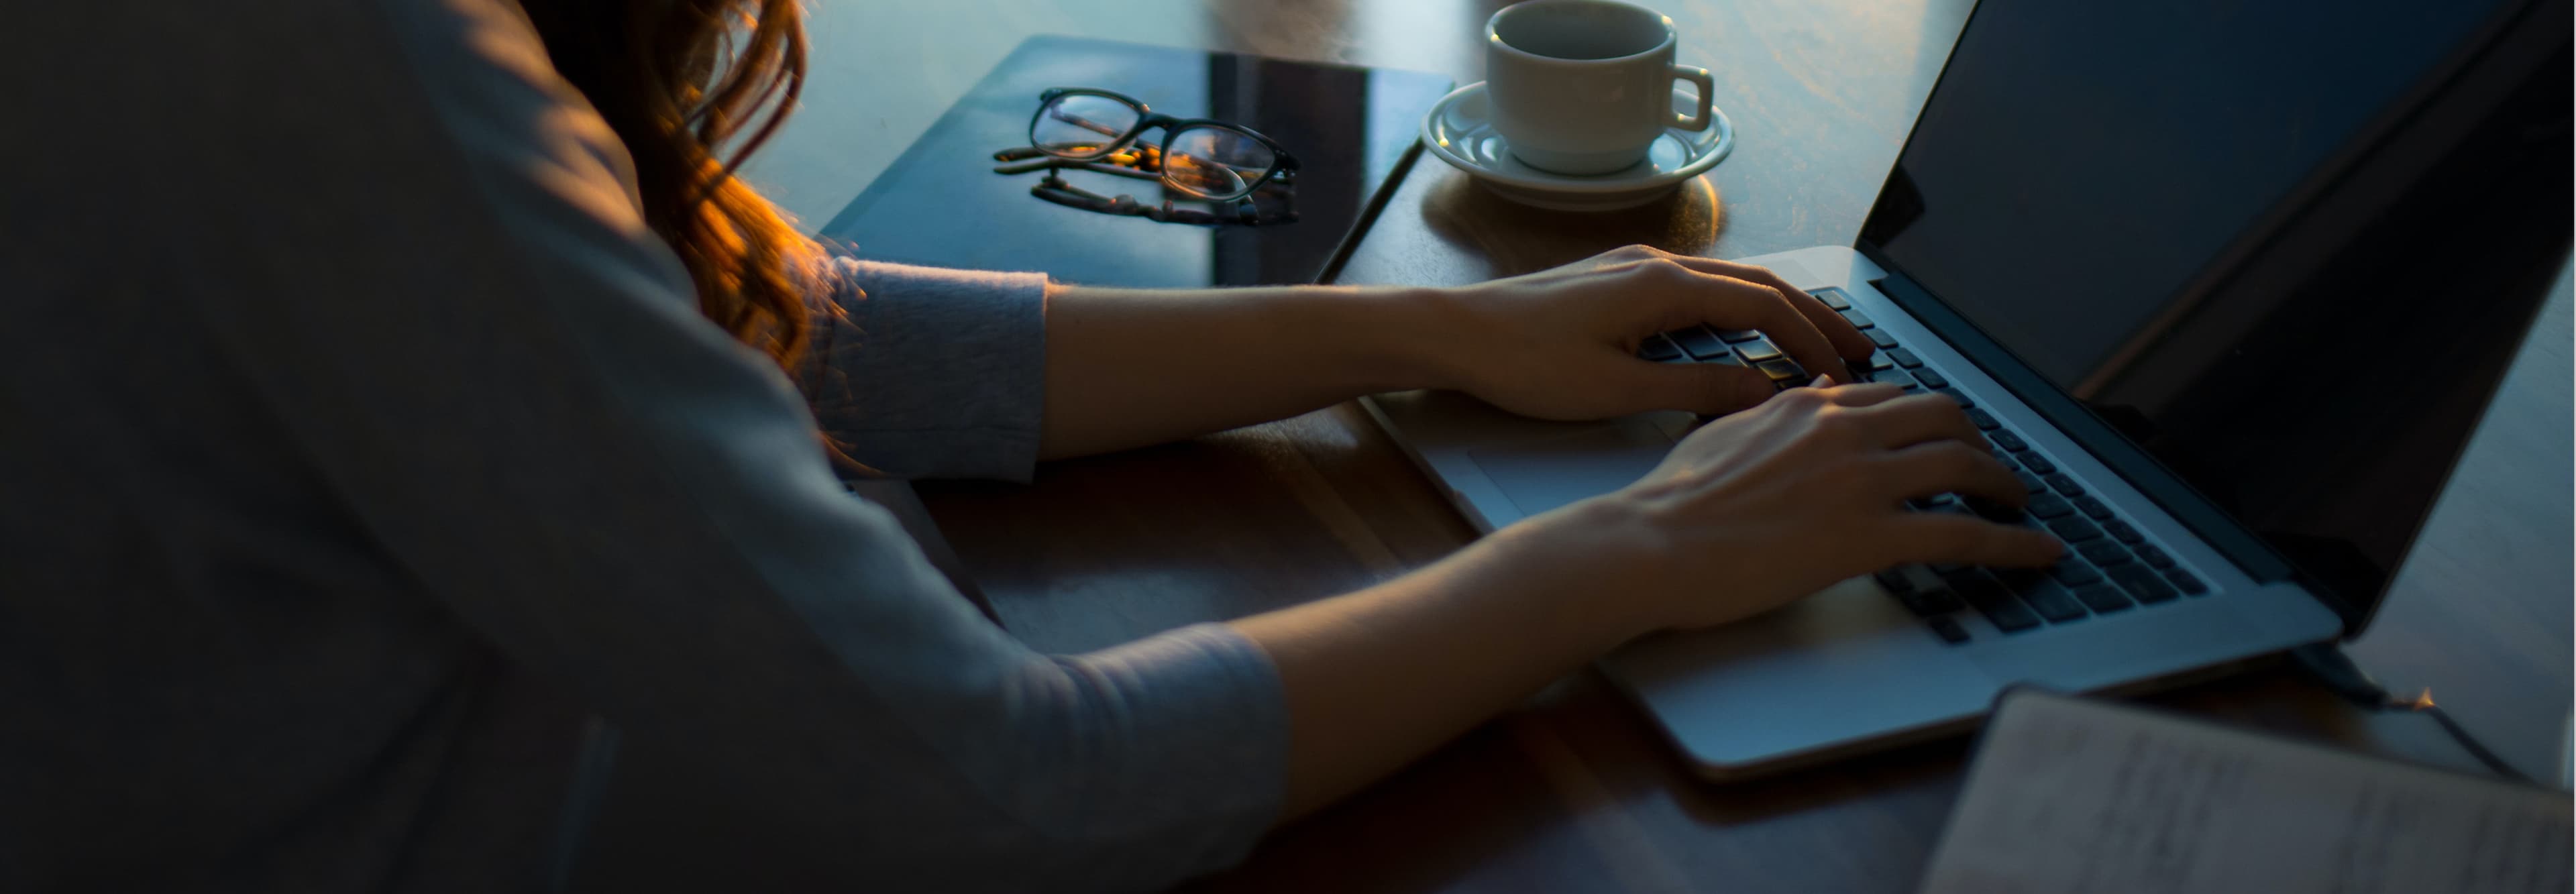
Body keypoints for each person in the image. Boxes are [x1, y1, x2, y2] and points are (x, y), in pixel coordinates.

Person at [0, 0, 2059, 890]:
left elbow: (733, 335)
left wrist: (1430, 328)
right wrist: (1631, 556)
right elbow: (1007, 790)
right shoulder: (329, 61)